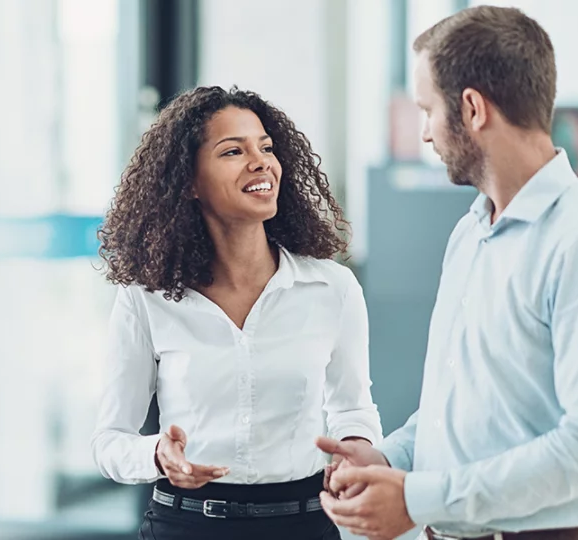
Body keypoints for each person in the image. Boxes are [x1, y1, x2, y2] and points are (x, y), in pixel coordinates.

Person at [316, 6, 578, 540]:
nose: (425, 133)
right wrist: (385, 457)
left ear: (472, 108)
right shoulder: (470, 234)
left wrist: (415, 498)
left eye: (428, 110)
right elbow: (463, 411)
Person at [92, 86, 383, 540]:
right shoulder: (145, 298)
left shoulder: (331, 287)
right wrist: (156, 456)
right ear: (188, 182)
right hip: (184, 525)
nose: (261, 161)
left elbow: (353, 407)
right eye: (233, 150)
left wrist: (354, 448)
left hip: (303, 524)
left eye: (266, 147)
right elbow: (109, 441)